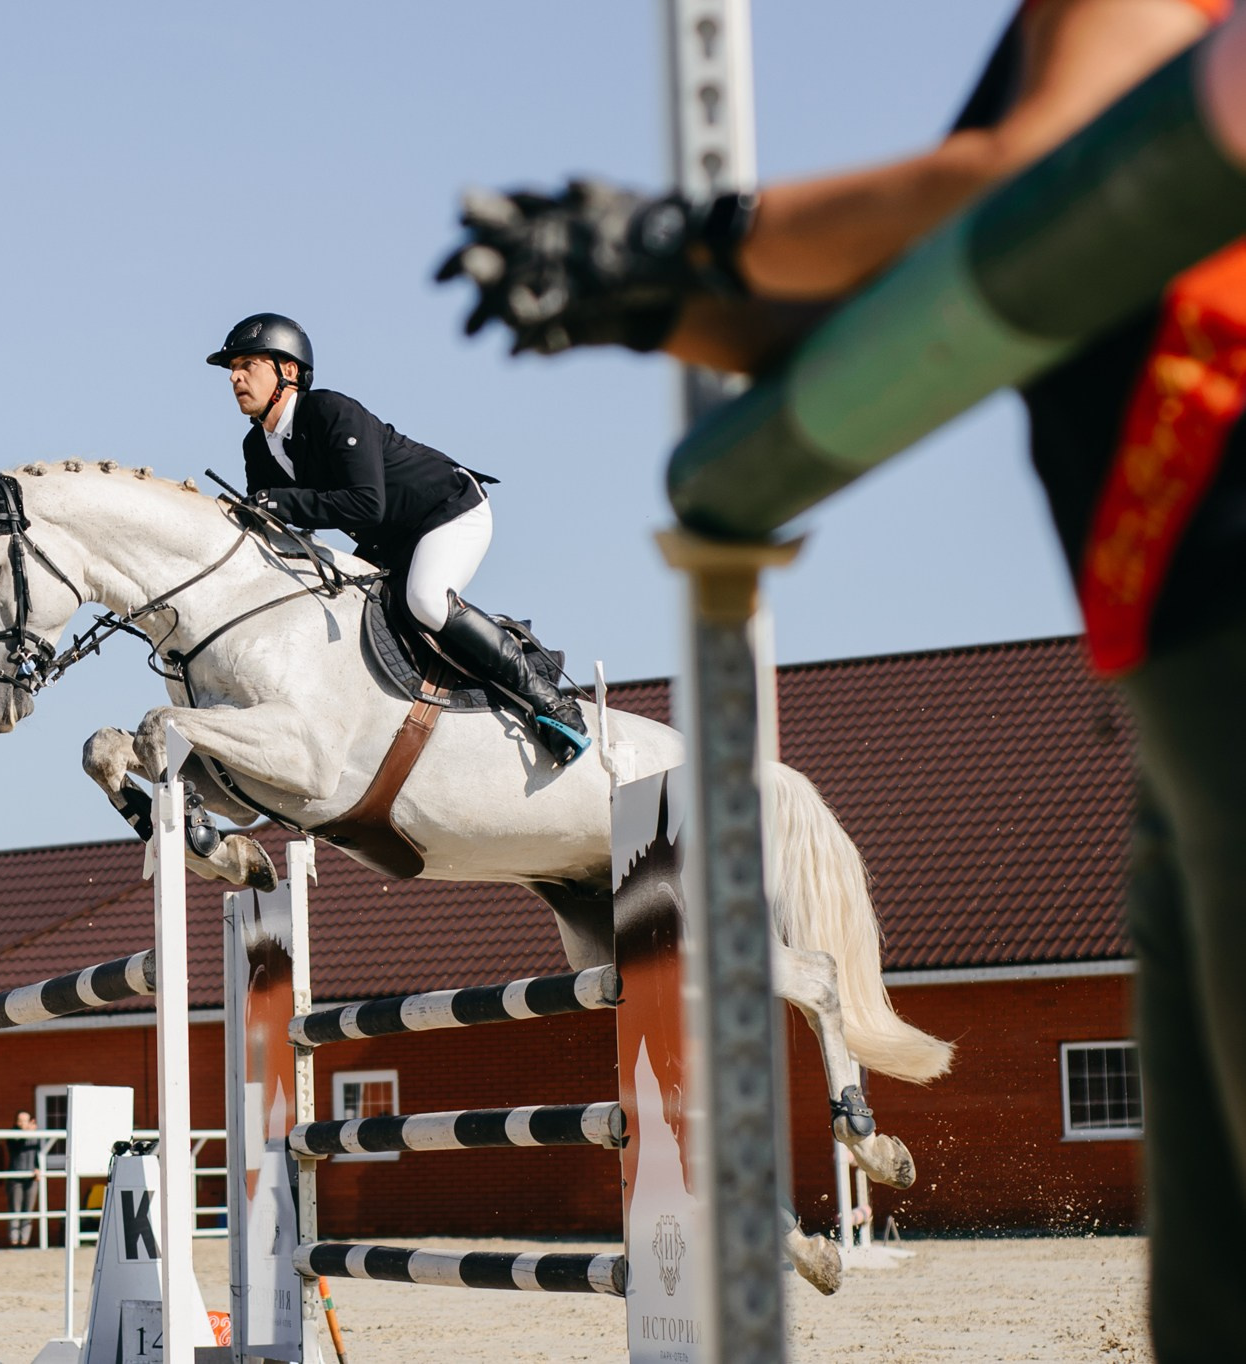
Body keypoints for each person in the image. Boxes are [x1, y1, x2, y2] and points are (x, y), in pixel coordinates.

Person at [436, 2, 1246, 1356]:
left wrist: (682, 236)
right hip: (1172, 645)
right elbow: (900, 291)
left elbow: (1028, 172)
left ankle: (502, 678)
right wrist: (661, 300)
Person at [206, 313, 589, 765]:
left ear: (287, 371)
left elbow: (365, 503)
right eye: (232, 368)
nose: (234, 376)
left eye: (247, 364)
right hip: (391, 537)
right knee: (346, 610)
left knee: (425, 601)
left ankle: (548, 698)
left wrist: (279, 504)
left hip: (448, 510)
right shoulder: (257, 447)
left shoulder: (330, 410)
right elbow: (280, 527)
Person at [4, 1110, 43, 1248]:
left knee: (28, 1209)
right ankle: (14, 1240)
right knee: (15, 1208)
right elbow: (16, 1145)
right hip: (15, 1176)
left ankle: (24, 1240)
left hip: (31, 1177)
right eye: (20, 1120)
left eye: (25, 1120)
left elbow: (37, 1153)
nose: (22, 1123)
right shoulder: (12, 1135)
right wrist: (27, 1133)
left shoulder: (35, 1136)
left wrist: (38, 1167)